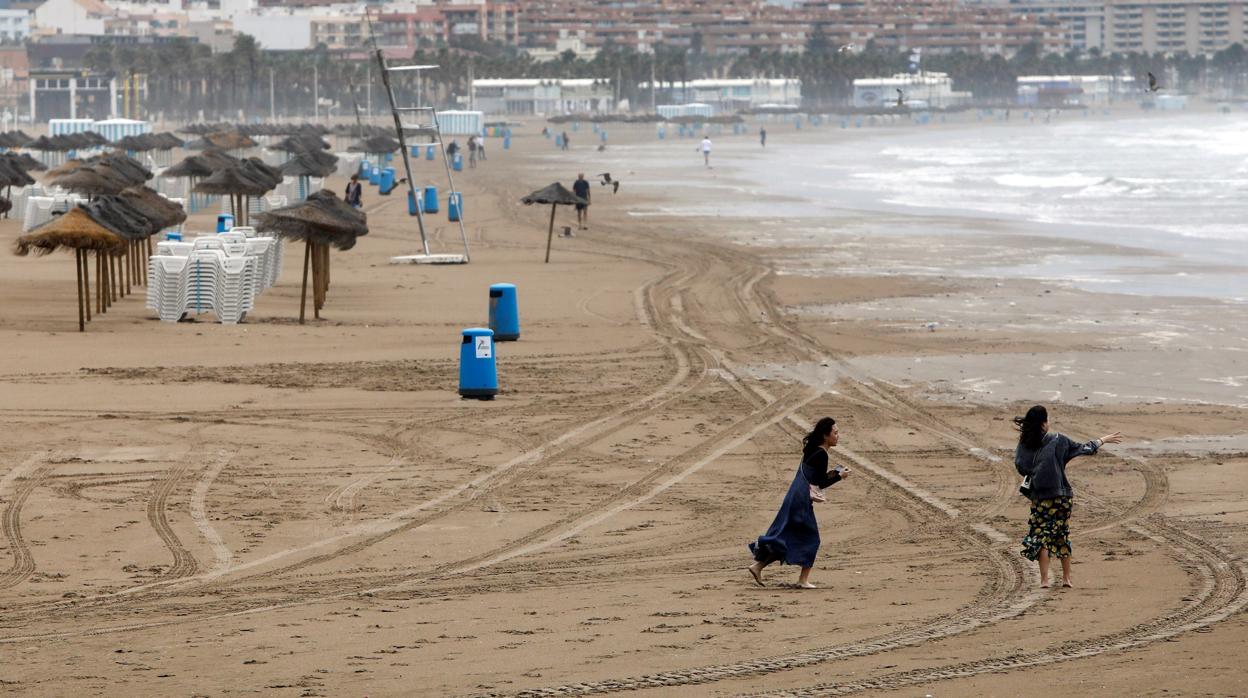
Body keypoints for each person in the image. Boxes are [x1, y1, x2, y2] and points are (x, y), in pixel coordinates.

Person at [1014, 405, 1122, 589]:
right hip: (1062, 497)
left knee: (1041, 537)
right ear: (1044, 423)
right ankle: (1066, 579)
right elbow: (1083, 448)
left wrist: (1035, 473)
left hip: (1040, 498)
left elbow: (1020, 465)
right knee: (1061, 534)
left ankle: (1045, 581)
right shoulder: (1058, 440)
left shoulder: (1024, 444)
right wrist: (1103, 440)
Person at [747, 417, 849, 589]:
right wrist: (840, 476)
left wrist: (833, 474)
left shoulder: (812, 449)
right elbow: (820, 483)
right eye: (835, 433)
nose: (838, 436)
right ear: (825, 436)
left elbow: (815, 477)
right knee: (811, 539)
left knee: (786, 538)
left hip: (795, 496)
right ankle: (803, 580)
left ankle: (757, 566)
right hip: (801, 499)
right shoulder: (822, 454)